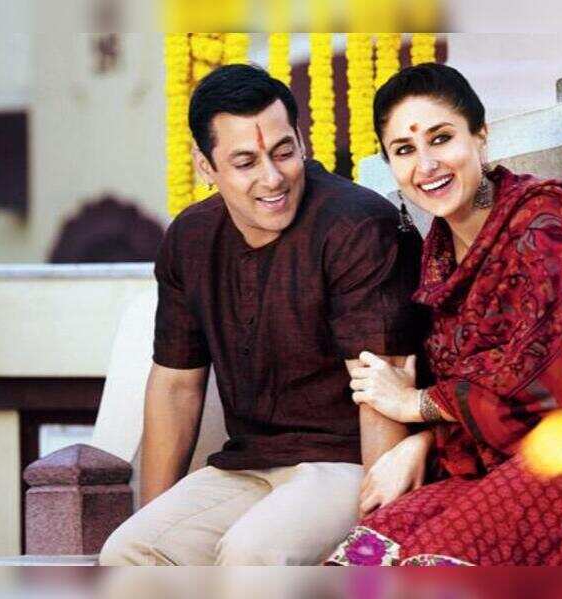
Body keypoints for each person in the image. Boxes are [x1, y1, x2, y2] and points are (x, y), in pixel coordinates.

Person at [326, 63, 562, 566]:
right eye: (404, 150)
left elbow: (543, 384)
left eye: (441, 138)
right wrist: (421, 443)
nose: (426, 164)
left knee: (433, 560)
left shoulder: (547, 219)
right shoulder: (438, 259)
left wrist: (417, 405)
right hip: (509, 463)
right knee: (368, 553)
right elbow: (498, 407)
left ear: (480, 136)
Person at [99, 64, 425, 565]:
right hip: (247, 466)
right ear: (205, 165)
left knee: (250, 556)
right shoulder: (190, 238)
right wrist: (155, 512)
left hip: (344, 465)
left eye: (283, 151)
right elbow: (175, 385)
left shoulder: (354, 225)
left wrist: (380, 536)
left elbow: (380, 383)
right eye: (245, 161)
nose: (272, 178)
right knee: (131, 553)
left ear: (302, 141)